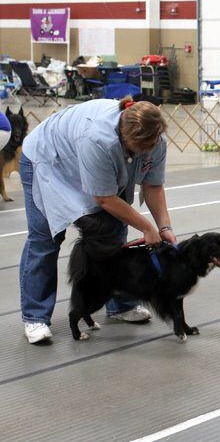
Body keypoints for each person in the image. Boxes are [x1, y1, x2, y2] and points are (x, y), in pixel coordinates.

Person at [19, 97, 176, 344]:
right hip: (49, 162)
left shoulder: (156, 140)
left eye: (152, 145)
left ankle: (121, 304)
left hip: (91, 165)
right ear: (125, 139)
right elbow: (104, 199)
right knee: (46, 239)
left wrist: (164, 227)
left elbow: (153, 184)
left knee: (114, 232)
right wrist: (146, 227)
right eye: (140, 149)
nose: (148, 151)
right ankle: (35, 317)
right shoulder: (98, 139)